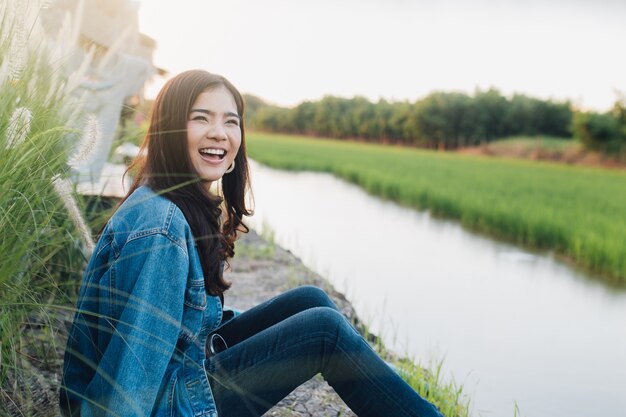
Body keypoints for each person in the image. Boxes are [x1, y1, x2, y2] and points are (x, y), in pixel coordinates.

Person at [59, 70, 443, 417]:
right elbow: (130, 381)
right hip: (167, 403)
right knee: (322, 330)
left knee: (310, 301)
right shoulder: (161, 228)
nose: (219, 133)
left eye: (231, 121)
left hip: (183, 371)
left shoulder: (174, 202)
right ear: (170, 130)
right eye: (200, 118)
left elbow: (184, 329)